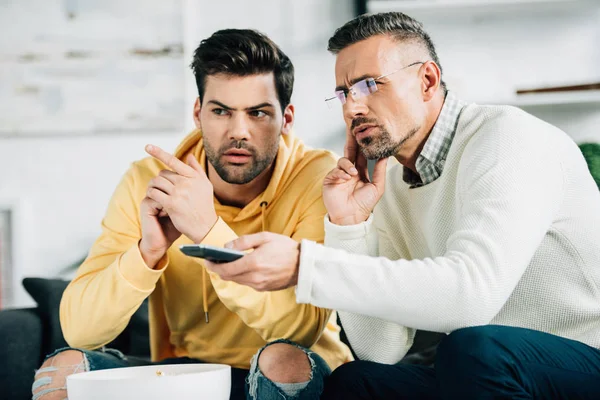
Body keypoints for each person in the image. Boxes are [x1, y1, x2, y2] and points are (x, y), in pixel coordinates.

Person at [205, 12, 600, 399]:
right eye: (344, 94)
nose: (351, 109)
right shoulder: (389, 180)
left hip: (584, 358)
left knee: (473, 350)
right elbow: (381, 347)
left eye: (368, 85)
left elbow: (470, 298)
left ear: (426, 80)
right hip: (488, 373)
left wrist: (303, 264)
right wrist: (348, 226)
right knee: (355, 381)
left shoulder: (509, 139)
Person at [31, 28, 352, 400]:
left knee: (283, 361)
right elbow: (80, 331)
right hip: (190, 374)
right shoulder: (150, 181)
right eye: (221, 111)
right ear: (199, 114)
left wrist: (209, 232)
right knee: (62, 374)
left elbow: (299, 331)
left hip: (292, 372)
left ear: (287, 118)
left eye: (258, 113)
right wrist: (146, 253)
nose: (239, 132)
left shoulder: (318, 178)